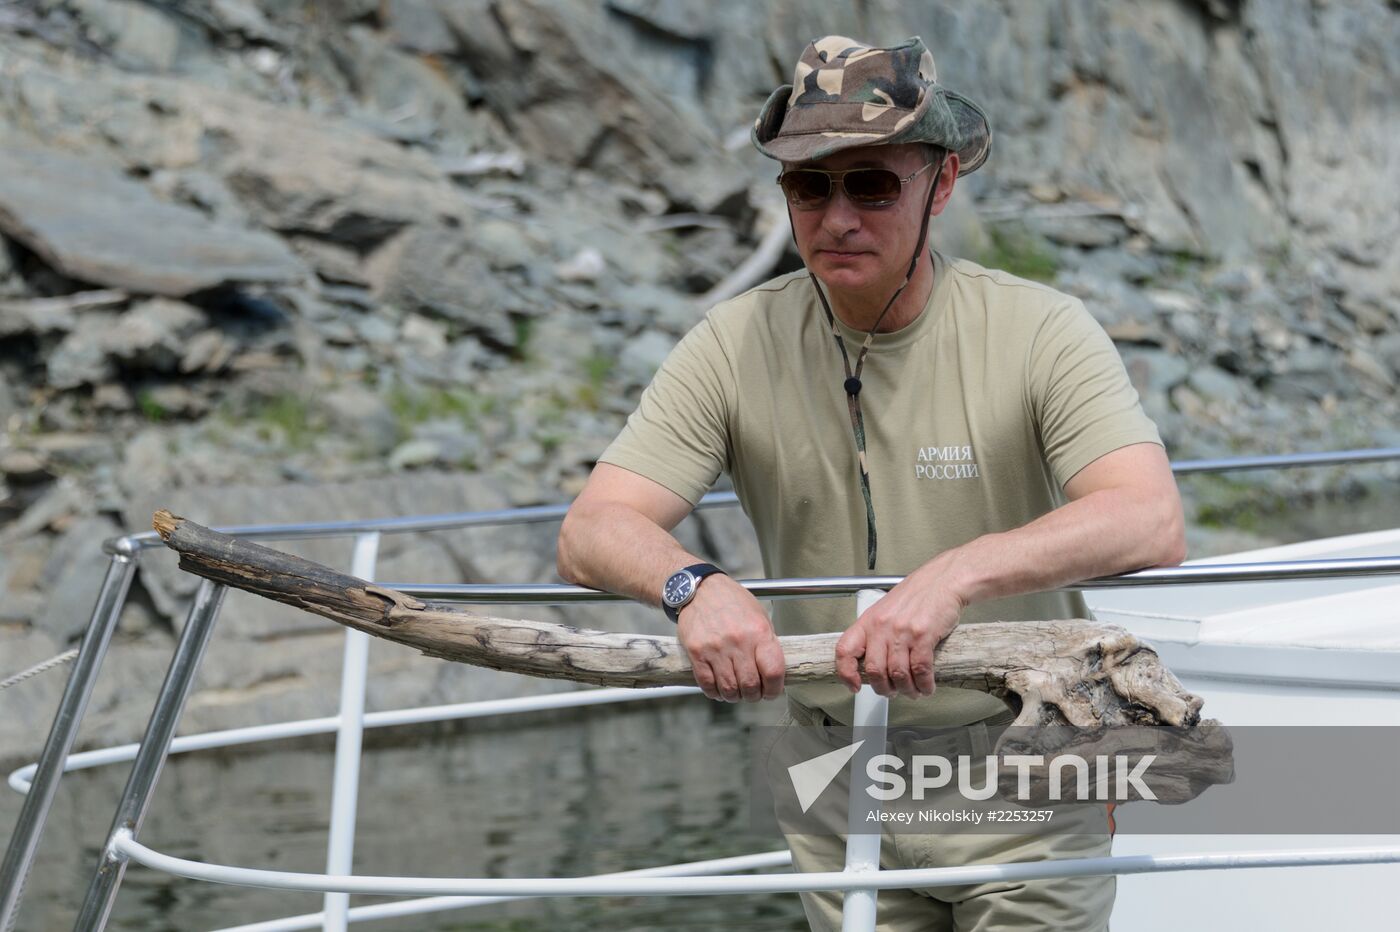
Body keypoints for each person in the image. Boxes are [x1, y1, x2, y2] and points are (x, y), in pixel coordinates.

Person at [557, 35, 1185, 931]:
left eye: (872, 185)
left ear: (943, 184)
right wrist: (693, 586)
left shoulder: (1041, 329)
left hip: (1026, 771)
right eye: (809, 186)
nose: (837, 215)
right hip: (835, 779)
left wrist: (954, 576)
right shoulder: (732, 343)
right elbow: (592, 529)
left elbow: (1149, 518)